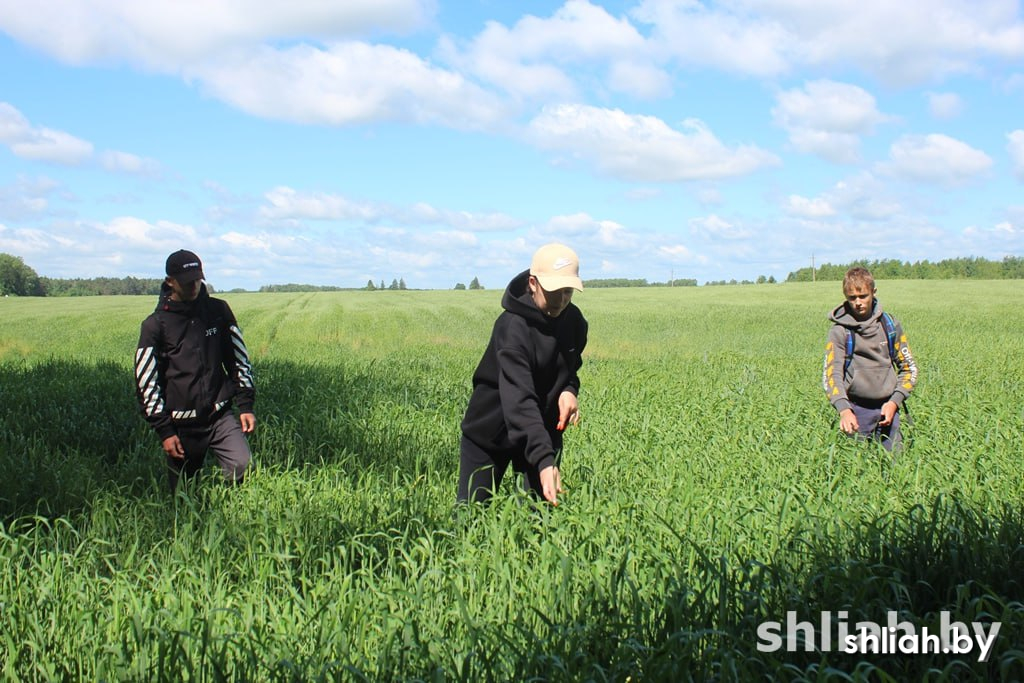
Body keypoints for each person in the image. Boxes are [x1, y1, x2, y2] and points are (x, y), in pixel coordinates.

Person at [458, 243, 588, 505]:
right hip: (491, 432)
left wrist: (569, 390)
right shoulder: (512, 327)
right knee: (470, 516)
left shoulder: (574, 321)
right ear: (533, 283)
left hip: (541, 430)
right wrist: (543, 459)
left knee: (537, 523)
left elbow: (570, 366)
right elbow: (519, 398)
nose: (561, 300)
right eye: (553, 291)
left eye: (567, 291)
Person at [134, 249, 256, 489]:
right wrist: (165, 431)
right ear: (170, 282)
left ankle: (233, 509)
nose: (194, 287)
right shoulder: (155, 325)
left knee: (242, 463)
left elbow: (238, 359)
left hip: (219, 414)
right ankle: (188, 521)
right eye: (186, 282)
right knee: (183, 490)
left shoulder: (218, 311)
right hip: (181, 424)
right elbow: (147, 382)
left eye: (198, 280)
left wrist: (245, 405)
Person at [822, 266, 918, 451]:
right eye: (852, 298)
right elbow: (830, 375)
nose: (858, 302)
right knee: (856, 471)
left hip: (888, 410)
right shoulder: (840, 331)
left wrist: (894, 402)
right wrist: (844, 410)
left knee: (894, 470)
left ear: (873, 292)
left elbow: (909, 368)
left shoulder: (889, 325)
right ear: (845, 297)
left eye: (863, 296)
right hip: (855, 411)